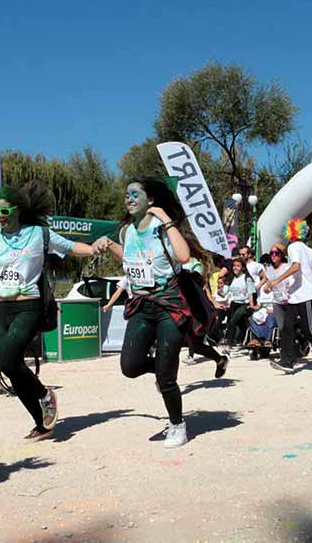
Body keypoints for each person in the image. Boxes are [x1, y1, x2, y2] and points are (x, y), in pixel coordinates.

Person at [0, 181, 95, 441]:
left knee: (10, 361)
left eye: (4, 212)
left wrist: (94, 248)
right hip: (2, 307)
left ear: (17, 210)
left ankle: (46, 396)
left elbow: (70, 247)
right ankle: (42, 423)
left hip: (28, 305)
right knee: (9, 367)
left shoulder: (38, 234)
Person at [91, 177, 201, 448]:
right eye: (126, 195)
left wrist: (166, 219)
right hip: (141, 305)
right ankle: (164, 369)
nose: (128, 199)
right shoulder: (127, 231)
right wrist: (110, 245)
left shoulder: (162, 227)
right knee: (129, 366)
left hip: (168, 305)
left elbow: (184, 256)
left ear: (150, 200)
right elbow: (131, 261)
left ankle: (177, 424)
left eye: (134, 194)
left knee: (166, 376)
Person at [264, 218, 312, 373]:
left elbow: (296, 266)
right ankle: (287, 361)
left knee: (308, 329)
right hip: (295, 296)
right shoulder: (309, 249)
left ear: (291, 232)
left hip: (305, 296)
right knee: (287, 328)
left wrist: (276, 280)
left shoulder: (293, 247)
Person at [223, 258, 255, 352]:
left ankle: (229, 344)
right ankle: (244, 340)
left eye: (238, 266)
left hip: (243, 304)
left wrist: (251, 306)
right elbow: (226, 292)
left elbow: (250, 293)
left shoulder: (247, 278)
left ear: (243, 268)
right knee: (240, 324)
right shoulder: (232, 278)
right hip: (234, 304)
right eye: (234, 266)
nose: (235, 268)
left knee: (232, 323)